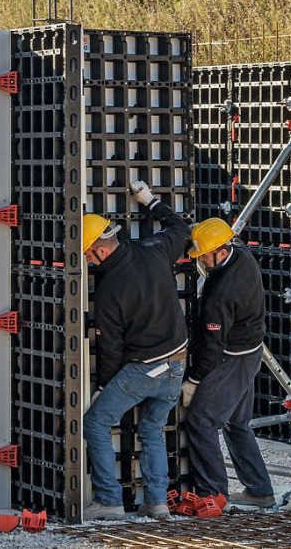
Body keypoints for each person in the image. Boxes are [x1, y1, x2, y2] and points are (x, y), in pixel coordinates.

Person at [83, 181, 191, 521]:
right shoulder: (154, 249)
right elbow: (180, 228)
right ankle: (156, 503)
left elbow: (110, 347)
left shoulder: (109, 289)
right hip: (178, 362)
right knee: (151, 428)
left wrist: (103, 385)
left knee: (96, 422)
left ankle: (109, 501)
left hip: (146, 368)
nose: (86, 260)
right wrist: (150, 201)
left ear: (99, 250)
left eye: (86, 253)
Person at [182, 218, 275, 509]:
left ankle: (214, 494)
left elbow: (211, 349)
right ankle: (259, 490)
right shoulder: (242, 255)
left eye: (203, 256)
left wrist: (194, 381)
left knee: (201, 419)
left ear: (219, 252)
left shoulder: (220, 293)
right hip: (250, 353)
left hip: (232, 360)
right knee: (237, 423)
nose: (201, 262)